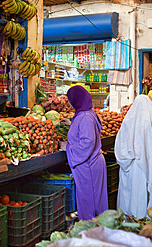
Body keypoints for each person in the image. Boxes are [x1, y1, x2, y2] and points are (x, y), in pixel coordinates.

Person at [115, 95, 152, 218]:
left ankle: (128, 221)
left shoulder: (128, 121)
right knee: (144, 195)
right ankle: (145, 219)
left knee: (130, 195)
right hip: (150, 165)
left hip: (131, 169)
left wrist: (130, 156)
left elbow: (120, 148)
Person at [59, 85, 108, 220]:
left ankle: (91, 233)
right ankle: (97, 230)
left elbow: (88, 142)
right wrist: (71, 124)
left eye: (69, 99)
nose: (68, 102)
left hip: (89, 167)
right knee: (93, 201)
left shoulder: (85, 116)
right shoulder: (85, 113)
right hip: (91, 165)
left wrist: (67, 147)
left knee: (90, 203)